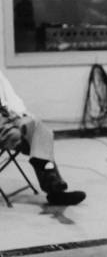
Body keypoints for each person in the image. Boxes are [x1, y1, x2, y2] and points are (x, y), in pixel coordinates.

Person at [0, 69, 86, 206]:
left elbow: (11, 97)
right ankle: (54, 189)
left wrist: (22, 114)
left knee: (40, 130)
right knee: (25, 138)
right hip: (2, 125)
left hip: (10, 115)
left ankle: (51, 180)